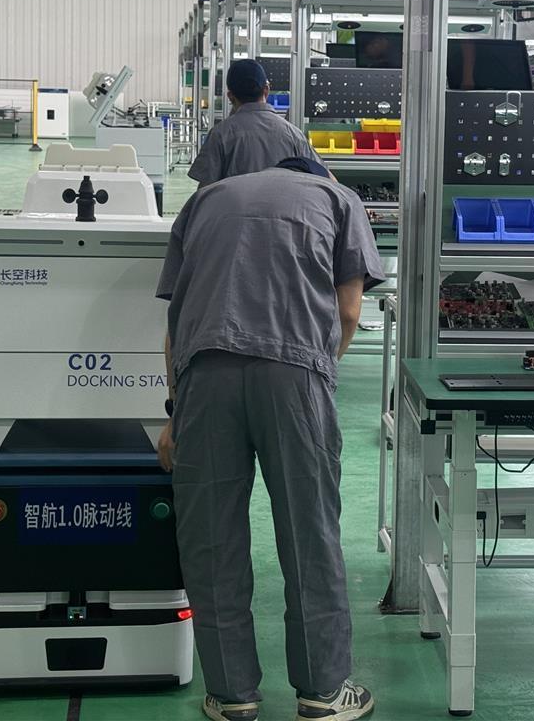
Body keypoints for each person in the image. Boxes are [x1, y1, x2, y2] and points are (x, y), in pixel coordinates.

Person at [155, 156, 385, 721]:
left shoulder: (205, 200)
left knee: (211, 537)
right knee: (309, 531)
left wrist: (175, 412)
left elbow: (175, 323)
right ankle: (323, 693)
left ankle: (232, 694)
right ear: (319, 177)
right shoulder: (339, 198)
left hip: (204, 372)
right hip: (294, 373)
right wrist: (316, 371)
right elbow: (349, 311)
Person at [188, 59, 324, 186]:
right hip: (285, 204)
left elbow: (207, 190)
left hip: (236, 204)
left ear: (230, 96)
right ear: (266, 89)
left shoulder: (220, 134)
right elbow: (322, 175)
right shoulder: (294, 134)